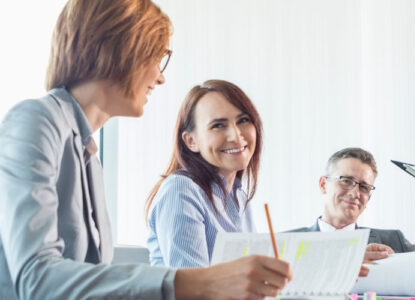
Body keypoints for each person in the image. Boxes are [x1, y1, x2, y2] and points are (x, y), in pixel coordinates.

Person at [0, 0, 292, 299]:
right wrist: (195, 282)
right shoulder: (37, 120)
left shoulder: (87, 153)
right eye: (157, 57)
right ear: (118, 51)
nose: (160, 76)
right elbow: (35, 279)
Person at [290, 147, 415, 290]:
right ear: (323, 184)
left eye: (364, 187)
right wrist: (347, 262)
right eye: (346, 181)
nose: (354, 193)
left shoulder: (392, 241)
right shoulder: (286, 243)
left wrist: (397, 266)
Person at [145, 79, 261, 268]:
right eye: (218, 125)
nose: (236, 136)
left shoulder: (240, 197)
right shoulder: (181, 190)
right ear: (191, 141)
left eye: (243, 120)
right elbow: (193, 290)